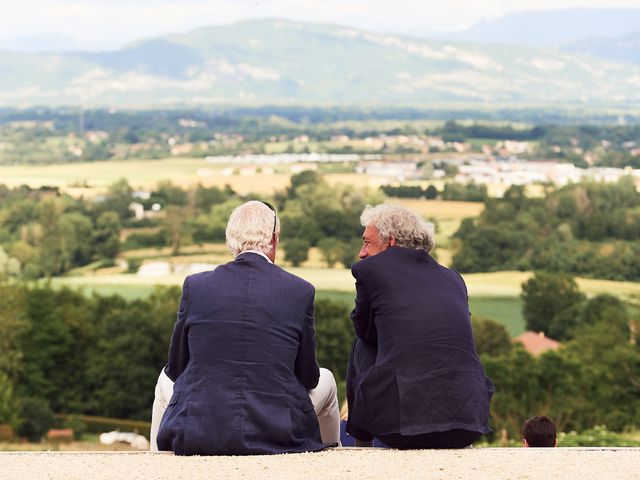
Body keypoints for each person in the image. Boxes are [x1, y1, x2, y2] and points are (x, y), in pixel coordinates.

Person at [150, 200, 340, 455]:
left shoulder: (196, 286)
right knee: (326, 378)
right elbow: (309, 376)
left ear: (231, 240)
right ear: (274, 239)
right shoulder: (300, 290)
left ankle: (155, 461)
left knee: (163, 379)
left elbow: (175, 368)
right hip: (278, 429)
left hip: (201, 427)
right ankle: (331, 455)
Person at [346, 204, 494, 449]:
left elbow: (365, 331)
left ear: (390, 241)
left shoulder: (370, 269)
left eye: (367, 242)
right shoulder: (453, 278)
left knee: (360, 346)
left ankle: (361, 442)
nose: (362, 253)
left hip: (404, 429)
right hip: (468, 424)